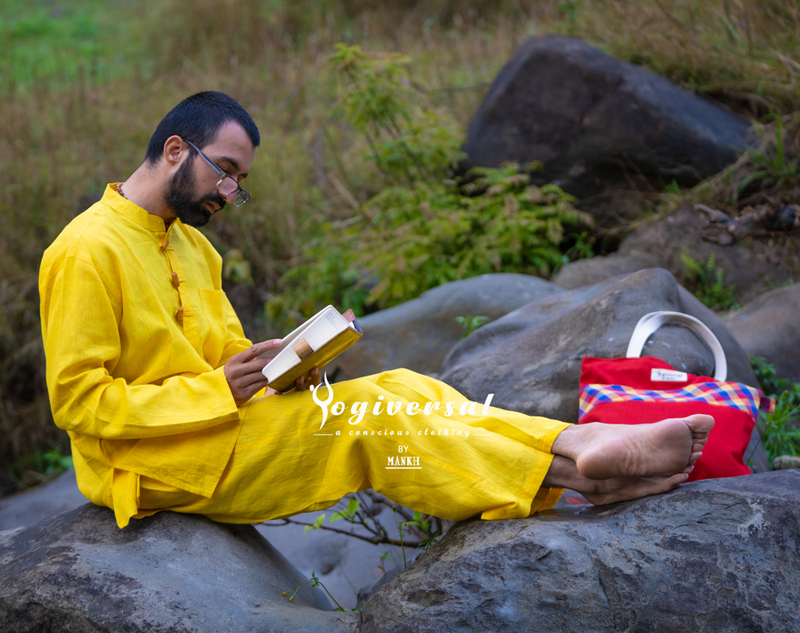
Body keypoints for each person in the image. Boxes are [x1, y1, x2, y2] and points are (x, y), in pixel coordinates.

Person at [40, 91, 713, 530]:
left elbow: (221, 357)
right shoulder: (85, 249)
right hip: (155, 465)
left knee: (403, 386)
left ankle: (577, 442)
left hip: (221, 429)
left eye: (239, 181)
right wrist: (219, 388)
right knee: (373, 423)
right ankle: (575, 477)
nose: (230, 190)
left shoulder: (193, 248)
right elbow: (80, 404)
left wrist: (283, 365)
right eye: (226, 171)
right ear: (176, 150)